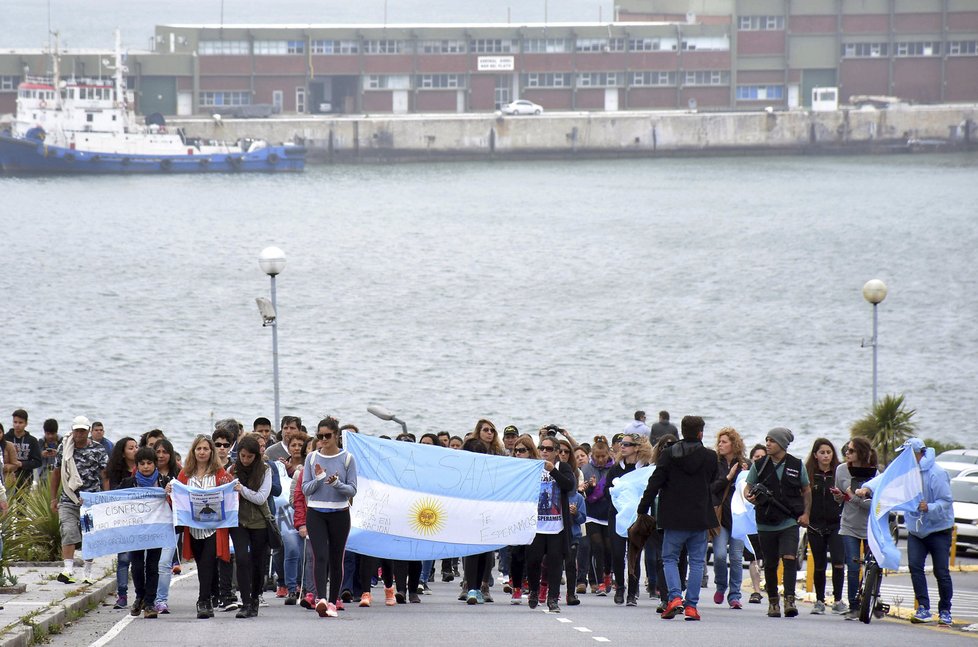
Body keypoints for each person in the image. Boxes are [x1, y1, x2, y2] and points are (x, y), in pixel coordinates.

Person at [856, 438, 954, 626]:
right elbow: (886, 479)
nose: (902, 457)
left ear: (918, 453)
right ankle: (923, 607)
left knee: (941, 571)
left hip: (939, 530)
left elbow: (946, 501)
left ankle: (945, 610)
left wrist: (930, 507)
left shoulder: (937, 473)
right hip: (916, 530)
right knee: (915, 568)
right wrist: (867, 488)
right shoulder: (906, 469)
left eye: (905, 453)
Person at [637, 415, 718, 621]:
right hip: (699, 516)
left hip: (673, 517)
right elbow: (712, 479)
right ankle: (691, 606)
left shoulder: (668, 454)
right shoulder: (709, 456)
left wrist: (643, 507)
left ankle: (674, 598)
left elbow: (655, 482)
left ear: (682, 431)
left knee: (670, 559)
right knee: (697, 562)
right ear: (701, 433)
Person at [744, 427, 810, 619]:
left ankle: (789, 599)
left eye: (771, 440)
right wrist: (750, 497)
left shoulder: (797, 465)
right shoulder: (760, 464)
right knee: (771, 563)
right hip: (765, 522)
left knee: (789, 557)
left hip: (789, 520)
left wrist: (806, 514)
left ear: (782, 444)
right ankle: (773, 601)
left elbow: (806, 490)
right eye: (767, 440)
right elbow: (748, 487)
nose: (768, 444)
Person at [168, 435, 233, 619]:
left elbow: (230, 493)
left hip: (215, 527)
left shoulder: (220, 473)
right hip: (193, 528)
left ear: (211, 451)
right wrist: (169, 492)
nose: (202, 452)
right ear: (193, 451)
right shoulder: (185, 474)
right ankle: (211, 594)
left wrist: (234, 489)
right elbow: (177, 498)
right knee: (203, 564)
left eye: (205, 449)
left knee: (207, 562)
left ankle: (203, 601)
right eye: (199, 449)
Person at [301, 416, 357, 618]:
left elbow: (352, 490)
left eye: (327, 436)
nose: (323, 439)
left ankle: (333, 602)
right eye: (320, 436)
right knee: (320, 556)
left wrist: (336, 484)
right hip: (316, 512)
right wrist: (320, 479)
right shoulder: (312, 458)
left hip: (340, 513)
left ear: (336, 436)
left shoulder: (347, 458)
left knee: (336, 558)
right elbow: (305, 488)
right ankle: (321, 599)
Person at [50, 416, 109, 584]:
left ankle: (87, 572)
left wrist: (105, 497)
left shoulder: (98, 450)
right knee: (68, 530)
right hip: (69, 497)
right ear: (72, 430)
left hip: (90, 499)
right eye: (77, 430)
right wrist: (53, 498)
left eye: (83, 430)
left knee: (89, 534)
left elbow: (104, 476)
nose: (79, 434)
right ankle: (68, 569)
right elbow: (56, 473)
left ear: (88, 431)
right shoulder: (65, 448)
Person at [525, 433, 576, 613]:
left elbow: (569, 486)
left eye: (548, 449)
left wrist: (552, 470)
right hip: (536, 525)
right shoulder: (532, 467)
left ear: (556, 452)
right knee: (533, 560)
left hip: (557, 526)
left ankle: (553, 598)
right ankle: (533, 590)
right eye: (542, 448)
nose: (544, 451)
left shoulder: (563, 467)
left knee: (555, 563)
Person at [120, 446, 172, 619]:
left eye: (149, 463)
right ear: (137, 465)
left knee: (152, 566)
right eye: (142, 463)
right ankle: (139, 596)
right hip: (135, 532)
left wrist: (168, 495)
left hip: (157, 531)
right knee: (136, 566)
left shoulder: (165, 483)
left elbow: (175, 504)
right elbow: (116, 504)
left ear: (155, 464)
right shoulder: (128, 483)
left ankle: (150, 602)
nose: (146, 467)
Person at [228, 435, 273, 619]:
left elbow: (261, 497)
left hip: (259, 522)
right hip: (238, 522)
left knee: (258, 563)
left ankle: (255, 598)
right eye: (242, 456)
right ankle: (245, 602)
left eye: (249, 456)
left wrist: (242, 490)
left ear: (256, 456)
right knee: (242, 558)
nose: (245, 460)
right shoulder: (232, 469)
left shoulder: (265, 470)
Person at [834, 436, 877, 619]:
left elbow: (873, 505)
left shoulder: (875, 474)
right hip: (849, 523)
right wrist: (838, 496)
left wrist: (852, 497)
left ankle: (870, 597)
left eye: (851, 450)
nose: (847, 453)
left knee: (871, 565)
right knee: (852, 565)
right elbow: (840, 497)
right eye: (846, 450)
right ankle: (853, 604)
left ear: (861, 453)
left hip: (869, 525)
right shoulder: (841, 470)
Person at [606, 432, 651, 605]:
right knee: (617, 553)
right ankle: (620, 587)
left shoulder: (645, 468)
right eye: (621, 444)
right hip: (616, 515)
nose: (622, 446)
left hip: (637, 516)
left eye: (627, 444)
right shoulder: (616, 468)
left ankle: (632, 592)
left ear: (637, 447)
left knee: (634, 555)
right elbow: (606, 491)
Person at [805, 438, 845, 615]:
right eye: (822, 452)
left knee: (838, 562)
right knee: (819, 564)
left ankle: (837, 600)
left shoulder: (839, 473)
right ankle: (819, 601)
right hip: (815, 525)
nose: (826, 456)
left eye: (829, 452)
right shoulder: (808, 474)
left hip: (836, 524)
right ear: (815, 455)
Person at [711, 427, 747, 609]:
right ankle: (721, 585)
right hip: (720, 516)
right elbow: (712, 488)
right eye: (719, 441)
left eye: (724, 442)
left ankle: (735, 595)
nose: (720, 445)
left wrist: (745, 476)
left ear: (734, 444)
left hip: (739, 518)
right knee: (719, 555)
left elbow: (751, 489)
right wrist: (728, 477)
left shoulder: (745, 464)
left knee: (736, 558)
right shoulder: (715, 463)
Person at [107, 437, 139, 609]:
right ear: (123, 452)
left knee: (140, 560)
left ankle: (142, 594)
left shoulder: (144, 469)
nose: (135, 450)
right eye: (131, 447)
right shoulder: (116, 472)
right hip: (123, 519)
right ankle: (122, 594)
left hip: (141, 520)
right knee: (124, 558)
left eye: (136, 447)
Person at [582, 436, 614, 595]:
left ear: (609, 454)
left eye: (603, 456)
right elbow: (582, 494)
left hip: (608, 514)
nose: (600, 459)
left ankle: (608, 573)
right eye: (597, 456)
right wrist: (590, 488)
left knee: (609, 548)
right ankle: (600, 582)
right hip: (592, 514)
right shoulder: (586, 469)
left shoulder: (614, 469)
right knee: (598, 547)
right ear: (592, 455)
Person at [153, 439, 181, 614]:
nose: (161, 455)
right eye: (158, 452)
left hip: (171, 525)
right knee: (151, 563)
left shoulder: (179, 473)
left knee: (164, 563)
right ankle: (148, 597)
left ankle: (161, 600)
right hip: (150, 526)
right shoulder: (146, 471)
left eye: (165, 452)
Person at [744, 443, 766, 604]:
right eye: (756, 457)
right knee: (754, 557)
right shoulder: (747, 478)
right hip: (751, 521)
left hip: (768, 521)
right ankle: (756, 590)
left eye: (762, 457)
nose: (759, 460)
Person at [6, 408, 42, 488]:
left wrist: (22, 464)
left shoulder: (32, 440)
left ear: (26, 423)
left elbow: (38, 462)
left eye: (20, 422)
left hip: (25, 477)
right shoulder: (5, 438)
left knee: (23, 500)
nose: (17, 425)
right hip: (7, 475)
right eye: (15, 422)